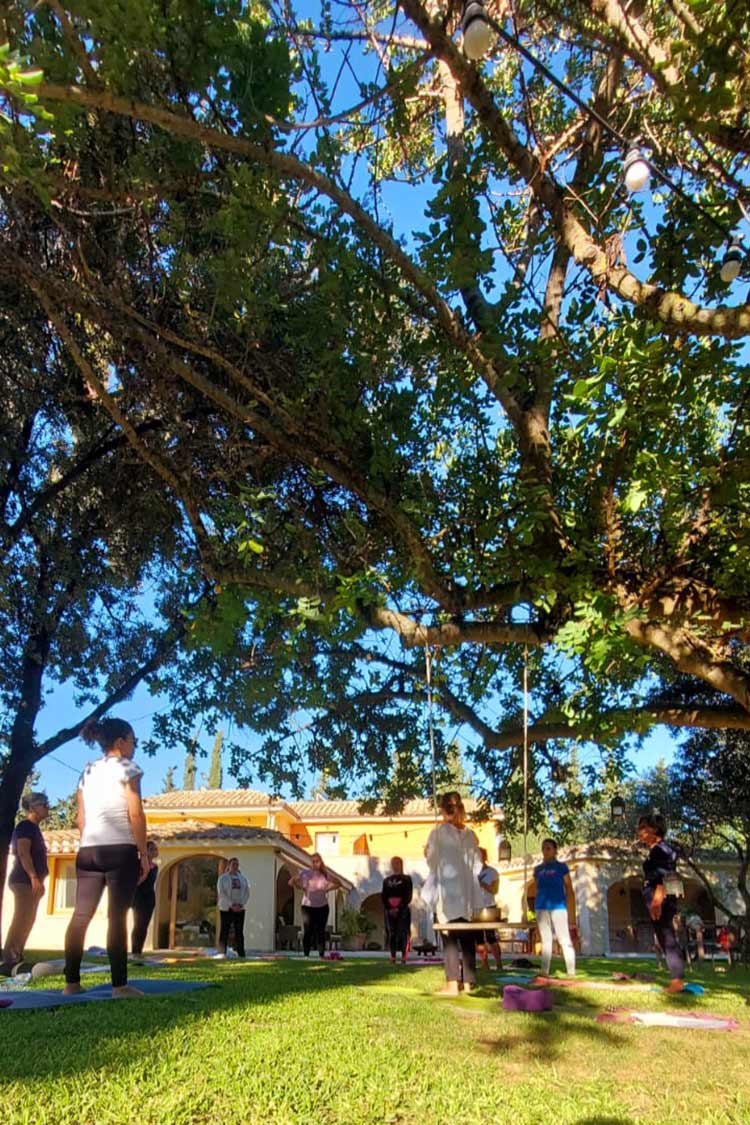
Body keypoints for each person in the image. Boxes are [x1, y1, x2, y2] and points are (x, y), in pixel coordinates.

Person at [64, 717, 149, 999]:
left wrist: (89, 842)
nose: (134, 747)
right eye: (133, 741)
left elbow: (81, 818)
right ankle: (119, 986)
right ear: (120, 742)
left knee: (80, 916)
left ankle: (71, 984)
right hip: (120, 850)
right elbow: (135, 813)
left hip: (88, 850)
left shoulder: (87, 772)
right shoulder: (128, 768)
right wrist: (143, 854)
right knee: (117, 916)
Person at [424, 791, 482, 996]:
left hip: (447, 893)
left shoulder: (438, 833)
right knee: (466, 938)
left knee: (449, 938)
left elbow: (432, 861)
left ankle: (452, 984)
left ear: (442, 809)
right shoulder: (470, 835)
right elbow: (477, 865)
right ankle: (468, 983)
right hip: (466, 894)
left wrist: (428, 853)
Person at [1, 792, 50, 976]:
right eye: (43, 804)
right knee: (22, 918)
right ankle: (9, 958)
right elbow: (23, 853)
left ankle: (17, 955)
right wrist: (34, 877)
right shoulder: (25, 826)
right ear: (32, 808)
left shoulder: (34, 829)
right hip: (23, 880)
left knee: (28, 919)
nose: (47, 807)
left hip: (32, 881)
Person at [637, 813, 686, 992]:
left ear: (655, 829)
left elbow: (663, 876)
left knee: (667, 937)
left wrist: (657, 901)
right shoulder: (658, 850)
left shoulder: (660, 850)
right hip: (659, 895)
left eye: (644, 827)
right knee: (665, 936)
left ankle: (677, 981)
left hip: (660, 896)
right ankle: (676, 979)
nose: (640, 832)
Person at [531, 838, 576, 978]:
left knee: (564, 939)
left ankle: (571, 972)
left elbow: (569, 889)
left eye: (548, 848)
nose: (545, 851)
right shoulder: (537, 870)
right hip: (541, 907)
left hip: (558, 907)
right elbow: (536, 889)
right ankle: (544, 971)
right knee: (546, 940)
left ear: (555, 850)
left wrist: (572, 914)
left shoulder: (561, 867)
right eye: (543, 848)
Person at [290, 853, 345, 958]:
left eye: (317, 861)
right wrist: (300, 887)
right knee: (308, 930)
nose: (315, 863)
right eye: (313, 861)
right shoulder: (305, 873)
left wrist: (328, 888)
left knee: (320, 931)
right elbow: (291, 881)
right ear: (310, 863)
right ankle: (306, 955)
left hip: (322, 907)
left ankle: (321, 955)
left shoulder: (325, 875)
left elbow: (339, 883)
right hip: (307, 907)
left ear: (321, 862)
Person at [130, 839, 159, 959]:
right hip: (138, 897)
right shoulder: (137, 865)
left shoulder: (155, 867)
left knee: (144, 925)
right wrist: (144, 874)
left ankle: (139, 951)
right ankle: (135, 951)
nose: (154, 851)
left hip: (149, 898)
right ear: (145, 851)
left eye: (155, 849)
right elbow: (134, 883)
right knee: (138, 924)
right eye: (151, 849)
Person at [475, 847, 503, 972]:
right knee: (479, 938)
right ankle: (484, 964)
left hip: (489, 906)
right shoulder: (471, 873)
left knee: (491, 937)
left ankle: (499, 964)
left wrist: (482, 884)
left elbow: (495, 890)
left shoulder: (492, 872)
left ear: (484, 857)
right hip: (476, 907)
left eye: (479, 855)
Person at [216, 857, 250, 958]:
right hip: (226, 908)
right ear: (229, 865)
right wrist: (231, 904)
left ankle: (241, 953)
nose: (235, 866)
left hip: (240, 908)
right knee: (224, 930)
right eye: (233, 864)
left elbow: (247, 892)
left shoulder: (243, 879)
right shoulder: (223, 878)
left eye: (237, 864)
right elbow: (221, 893)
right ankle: (222, 952)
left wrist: (241, 904)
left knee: (239, 931)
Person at [381, 856, 413, 963]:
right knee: (392, 933)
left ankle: (404, 957)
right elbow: (384, 896)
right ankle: (393, 957)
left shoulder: (407, 879)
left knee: (403, 933)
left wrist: (399, 907)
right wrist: (390, 908)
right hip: (390, 911)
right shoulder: (386, 881)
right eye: (393, 863)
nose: (395, 865)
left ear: (401, 864)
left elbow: (408, 895)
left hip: (402, 910)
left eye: (397, 863)